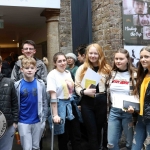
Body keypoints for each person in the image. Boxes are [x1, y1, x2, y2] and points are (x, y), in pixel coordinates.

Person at [75, 43, 111, 150]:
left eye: (95, 53)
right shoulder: (82, 68)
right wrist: (83, 92)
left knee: (100, 129)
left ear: (100, 54)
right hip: (87, 102)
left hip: (102, 101)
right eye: (91, 53)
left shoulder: (107, 68)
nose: (93, 56)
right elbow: (76, 85)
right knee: (91, 130)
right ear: (87, 54)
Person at [47, 52, 82, 150]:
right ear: (55, 63)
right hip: (60, 106)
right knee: (63, 136)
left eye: (64, 60)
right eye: (59, 61)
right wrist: (55, 115)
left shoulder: (68, 73)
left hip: (71, 105)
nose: (62, 63)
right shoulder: (52, 75)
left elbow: (72, 91)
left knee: (76, 134)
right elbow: (53, 95)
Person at [14, 57, 48, 150]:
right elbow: (15, 104)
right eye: (27, 68)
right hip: (23, 121)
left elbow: (45, 101)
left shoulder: (41, 84)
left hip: (38, 120)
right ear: (21, 69)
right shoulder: (17, 85)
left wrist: (44, 119)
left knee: (36, 147)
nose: (29, 70)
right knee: (27, 147)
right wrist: (15, 120)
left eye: (32, 68)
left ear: (36, 69)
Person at [107, 49, 137, 150]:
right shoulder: (111, 74)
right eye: (116, 59)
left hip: (128, 112)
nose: (118, 61)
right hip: (114, 111)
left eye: (121, 59)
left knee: (130, 143)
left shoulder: (134, 75)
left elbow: (139, 94)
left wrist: (135, 108)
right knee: (111, 143)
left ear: (127, 60)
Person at [131, 46, 150, 150]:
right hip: (141, 117)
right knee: (135, 147)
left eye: (146, 56)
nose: (143, 59)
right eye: (141, 57)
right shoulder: (143, 74)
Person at [0, 55, 18, 150]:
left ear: (0, 66)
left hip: (7, 125)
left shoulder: (9, 82)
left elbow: (15, 104)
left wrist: (14, 122)